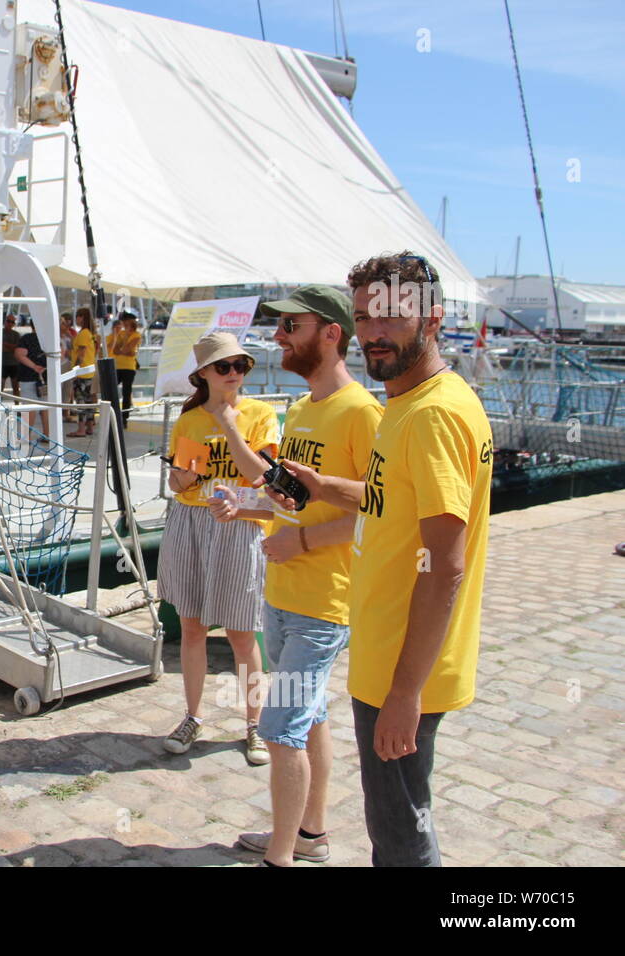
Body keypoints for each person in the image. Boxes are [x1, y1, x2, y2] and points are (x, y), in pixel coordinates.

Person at [263, 253, 493, 867]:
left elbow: (446, 563)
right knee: (394, 823)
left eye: (392, 316)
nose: (374, 332)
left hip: (400, 666)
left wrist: (405, 694)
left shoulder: (432, 413)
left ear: (433, 320)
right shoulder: (405, 403)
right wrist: (322, 484)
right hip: (382, 655)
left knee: (399, 838)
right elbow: (389, 501)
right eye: (365, 316)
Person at [206, 287, 383, 867]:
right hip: (280, 594)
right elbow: (293, 499)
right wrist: (252, 509)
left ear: (330, 333)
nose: (279, 337)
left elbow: (376, 512)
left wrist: (300, 540)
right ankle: (309, 834)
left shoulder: (362, 413)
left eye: (291, 326)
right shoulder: (304, 409)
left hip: (323, 601)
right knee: (310, 720)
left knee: (280, 730)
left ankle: (279, 858)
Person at [157, 331, 278, 765]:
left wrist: (229, 427)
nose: (234, 374)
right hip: (192, 523)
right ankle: (193, 715)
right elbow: (180, 482)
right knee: (191, 627)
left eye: (241, 366)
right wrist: (184, 476)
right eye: (224, 367)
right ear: (203, 374)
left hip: (240, 526)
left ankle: (255, 724)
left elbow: (262, 479)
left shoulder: (261, 414)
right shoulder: (190, 421)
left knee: (243, 634)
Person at [14, 317, 49, 437]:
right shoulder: (49, 339)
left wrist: (34, 367)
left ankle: (25, 436)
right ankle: (47, 434)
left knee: (29, 407)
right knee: (46, 407)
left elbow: (19, 354)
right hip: (46, 378)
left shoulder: (27, 339)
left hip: (28, 377)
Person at [66, 307, 97, 437]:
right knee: (89, 401)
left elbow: (82, 354)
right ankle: (89, 427)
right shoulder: (90, 333)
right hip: (90, 372)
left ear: (82, 317)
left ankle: (81, 429)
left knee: (81, 401)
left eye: (78, 316)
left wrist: (75, 370)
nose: (76, 319)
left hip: (82, 373)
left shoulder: (83, 333)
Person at [106, 312, 142, 426]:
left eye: (127, 321)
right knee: (112, 390)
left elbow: (129, 349)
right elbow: (116, 350)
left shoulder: (136, 335)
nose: (125, 323)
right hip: (117, 366)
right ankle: (112, 415)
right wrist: (124, 348)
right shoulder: (119, 334)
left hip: (129, 368)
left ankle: (124, 418)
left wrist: (124, 347)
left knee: (127, 392)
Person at [59, 312, 75, 422]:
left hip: (67, 364)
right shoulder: (54, 337)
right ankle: (58, 412)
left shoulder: (68, 337)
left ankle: (66, 413)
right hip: (58, 365)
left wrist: (70, 336)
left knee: (67, 389)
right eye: (64, 324)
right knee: (59, 389)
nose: (66, 326)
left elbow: (73, 349)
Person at [1, 314, 22, 397]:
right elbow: (1, 348)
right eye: (8, 321)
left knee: (16, 387)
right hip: (3, 363)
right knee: (0, 387)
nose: (10, 323)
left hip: (14, 364)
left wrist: (6, 345)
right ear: (5, 322)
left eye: (12, 322)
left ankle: (17, 407)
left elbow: (17, 348)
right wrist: (12, 347)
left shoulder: (16, 334)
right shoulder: (0, 333)